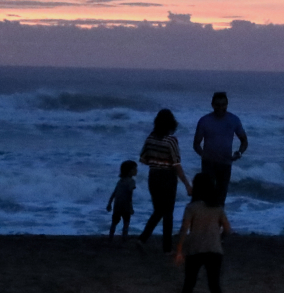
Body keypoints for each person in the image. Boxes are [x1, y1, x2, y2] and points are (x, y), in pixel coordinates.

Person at [172, 172, 233, 293]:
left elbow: (184, 230)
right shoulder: (217, 208)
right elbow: (227, 229)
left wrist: (179, 250)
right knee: (214, 284)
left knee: (189, 283)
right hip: (214, 248)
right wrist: (220, 239)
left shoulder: (191, 207)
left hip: (195, 248)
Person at [137, 109, 190, 249]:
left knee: (158, 210)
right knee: (167, 213)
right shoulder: (171, 140)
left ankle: (143, 238)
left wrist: (156, 160)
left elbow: (143, 159)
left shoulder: (150, 138)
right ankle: (166, 247)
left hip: (153, 176)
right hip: (168, 177)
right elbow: (176, 164)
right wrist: (187, 184)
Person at [191, 91, 249, 204]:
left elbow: (244, 141)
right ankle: (207, 221)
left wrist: (239, 153)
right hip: (208, 164)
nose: (220, 107)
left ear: (227, 105)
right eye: (217, 104)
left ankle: (218, 221)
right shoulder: (204, 121)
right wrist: (203, 154)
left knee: (221, 198)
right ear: (212, 105)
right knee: (207, 198)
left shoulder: (234, 120)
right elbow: (196, 144)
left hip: (226, 163)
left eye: (223, 104)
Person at [106, 159, 137, 237]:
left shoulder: (120, 181)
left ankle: (110, 238)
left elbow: (114, 193)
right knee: (126, 223)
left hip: (117, 205)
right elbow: (129, 195)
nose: (136, 170)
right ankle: (124, 239)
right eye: (135, 169)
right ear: (129, 171)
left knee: (114, 223)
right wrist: (131, 207)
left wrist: (109, 203)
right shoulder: (131, 182)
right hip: (125, 206)